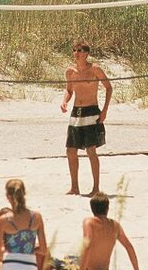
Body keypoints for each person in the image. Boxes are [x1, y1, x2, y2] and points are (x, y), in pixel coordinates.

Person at [60, 40, 113, 196]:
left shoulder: (95, 69)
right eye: (74, 50)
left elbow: (109, 87)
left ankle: (96, 188)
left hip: (92, 111)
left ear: (86, 53)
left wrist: (104, 111)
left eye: (80, 50)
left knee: (91, 150)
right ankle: (74, 187)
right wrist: (64, 101)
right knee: (71, 150)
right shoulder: (70, 71)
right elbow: (69, 90)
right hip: (77, 112)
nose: (76, 53)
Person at [0, 179, 48, 269]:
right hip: (30, 265)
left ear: (7, 196)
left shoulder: (4, 220)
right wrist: (28, 250)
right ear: (24, 194)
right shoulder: (36, 217)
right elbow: (43, 250)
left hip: (10, 264)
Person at [80, 192, 140, 270]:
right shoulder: (115, 226)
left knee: (65, 261)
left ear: (92, 208)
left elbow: (87, 245)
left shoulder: (89, 222)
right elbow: (129, 247)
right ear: (107, 209)